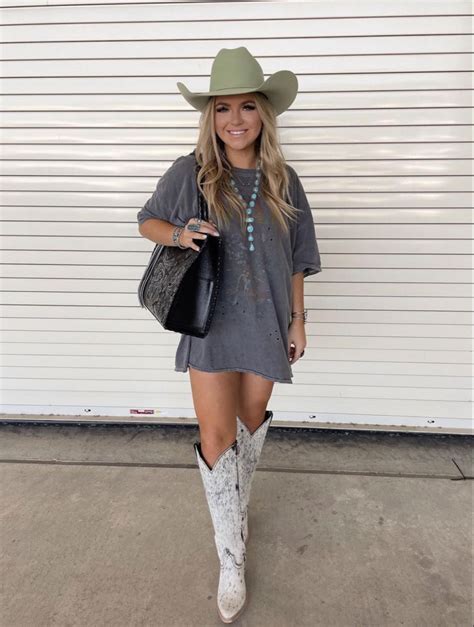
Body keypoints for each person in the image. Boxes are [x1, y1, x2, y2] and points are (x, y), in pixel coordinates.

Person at [137, 46, 321, 624]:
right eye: (222, 108)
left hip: (267, 323)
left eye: (246, 106)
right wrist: (179, 234)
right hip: (211, 324)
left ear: (263, 113)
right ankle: (230, 558)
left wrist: (298, 319)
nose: (234, 119)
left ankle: (236, 509)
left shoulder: (284, 179)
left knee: (249, 423)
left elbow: (297, 258)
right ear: (210, 116)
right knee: (216, 437)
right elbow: (147, 221)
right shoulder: (190, 171)